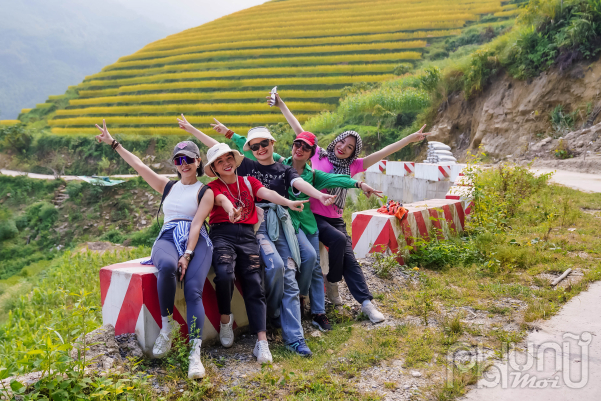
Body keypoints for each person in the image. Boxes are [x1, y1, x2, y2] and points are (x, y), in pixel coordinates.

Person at [178, 115, 335, 357]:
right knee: (268, 268)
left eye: (264, 144)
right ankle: (261, 316)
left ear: (272, 143)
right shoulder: (241, 170)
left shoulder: (277, 170)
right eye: (254, 146)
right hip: (252, 229)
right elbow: (217, 158)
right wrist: (192, 129)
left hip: (276, 223)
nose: (260, 149)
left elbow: (282, 188)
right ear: (249, 150)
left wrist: (307, 198)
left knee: (296, 266)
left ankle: (286, 334)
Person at [269, 93, 430, 323]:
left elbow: (386, 151)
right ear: (337, 140)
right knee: (339, 241)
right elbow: (298, 128)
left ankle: (365, 303)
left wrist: (409, 139)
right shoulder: (318, 154)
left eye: (350, 147)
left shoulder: (354, 165)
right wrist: (281, 104)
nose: (344, 147)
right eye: (343, 141)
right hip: (314, 215)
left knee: (349, 258)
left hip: (335, 218)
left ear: (354, 152)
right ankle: (333, 283)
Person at [211, 120, 382, 332]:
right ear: (292, 146)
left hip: (305, 222)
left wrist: (357, 184)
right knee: (290, 263)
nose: (300, 149)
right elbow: (235, 151)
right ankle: (290, 308)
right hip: (279, 221)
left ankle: (316, 306)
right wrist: (226, 132)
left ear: (312, 153)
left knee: (313, 261)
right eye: (297, 145)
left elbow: (332, 178)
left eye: (306, 147)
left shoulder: (305, 173)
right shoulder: (273, 162)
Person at [94, 120, 211, 380]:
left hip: (196, 239)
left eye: (188, 159)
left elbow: (198, 224)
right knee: (167, 267)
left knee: (193, 290)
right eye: (178, 160)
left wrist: (188, 254)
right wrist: (114, 144)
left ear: (198, 160)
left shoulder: (205, 191)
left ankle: (195, 352)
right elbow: (139, 166)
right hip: (168, 237)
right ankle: (166, 327)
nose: (184, 164)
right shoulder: (167, 186)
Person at [203, 142, 305, 364]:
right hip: (222, 235)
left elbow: (266, 193)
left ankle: (262, 343)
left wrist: (288, 202)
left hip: (248, 236)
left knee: (254, 283)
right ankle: (225, 319)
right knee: (225, 274)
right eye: (219, 162)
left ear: (235, 160)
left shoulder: (248, 182)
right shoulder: (212, 187)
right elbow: (222, 201)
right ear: (215, 168)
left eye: (228, 158)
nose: (226, 163)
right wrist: (231, 210)